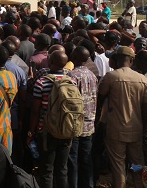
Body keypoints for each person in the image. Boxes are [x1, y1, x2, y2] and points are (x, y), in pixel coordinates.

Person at [97, 46, 147, 188]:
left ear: (116, 60)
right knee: (137, 163)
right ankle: (138, 184)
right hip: (135, 128)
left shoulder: (111, 77)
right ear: (132, 60)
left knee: (118, 164)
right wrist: (142, 123)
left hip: (115, 128)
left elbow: (100, 97)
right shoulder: (142, 78)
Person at [28, 50, 75, 188]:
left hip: (46, 130)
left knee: (47, 170)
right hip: (66, 129)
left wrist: (31, 132)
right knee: (62, 169)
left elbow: (36, 111)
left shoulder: (42, 82)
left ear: (50, 62)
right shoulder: (71, 81)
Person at [66, 45, 97, 188]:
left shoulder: (72, 76)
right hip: (89, 124)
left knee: (72, 160)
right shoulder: (92, 75)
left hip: (75, 125)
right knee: (86, 160)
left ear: (75, 57)